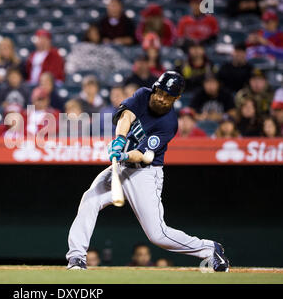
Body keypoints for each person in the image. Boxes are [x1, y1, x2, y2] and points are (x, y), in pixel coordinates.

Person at [66, 71, 230, 272]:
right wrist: (119, 140)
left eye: (167, 96)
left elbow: (141, 155)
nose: (161, 98)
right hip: (121, 169)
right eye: (159, 92)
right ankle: (76, 258)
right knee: (90, 199)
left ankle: (210, 248)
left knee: (157, 235)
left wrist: (124, 155)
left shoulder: (169, 124)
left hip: (144, 173)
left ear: (176, 98)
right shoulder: (143, 94)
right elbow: (126, 116)